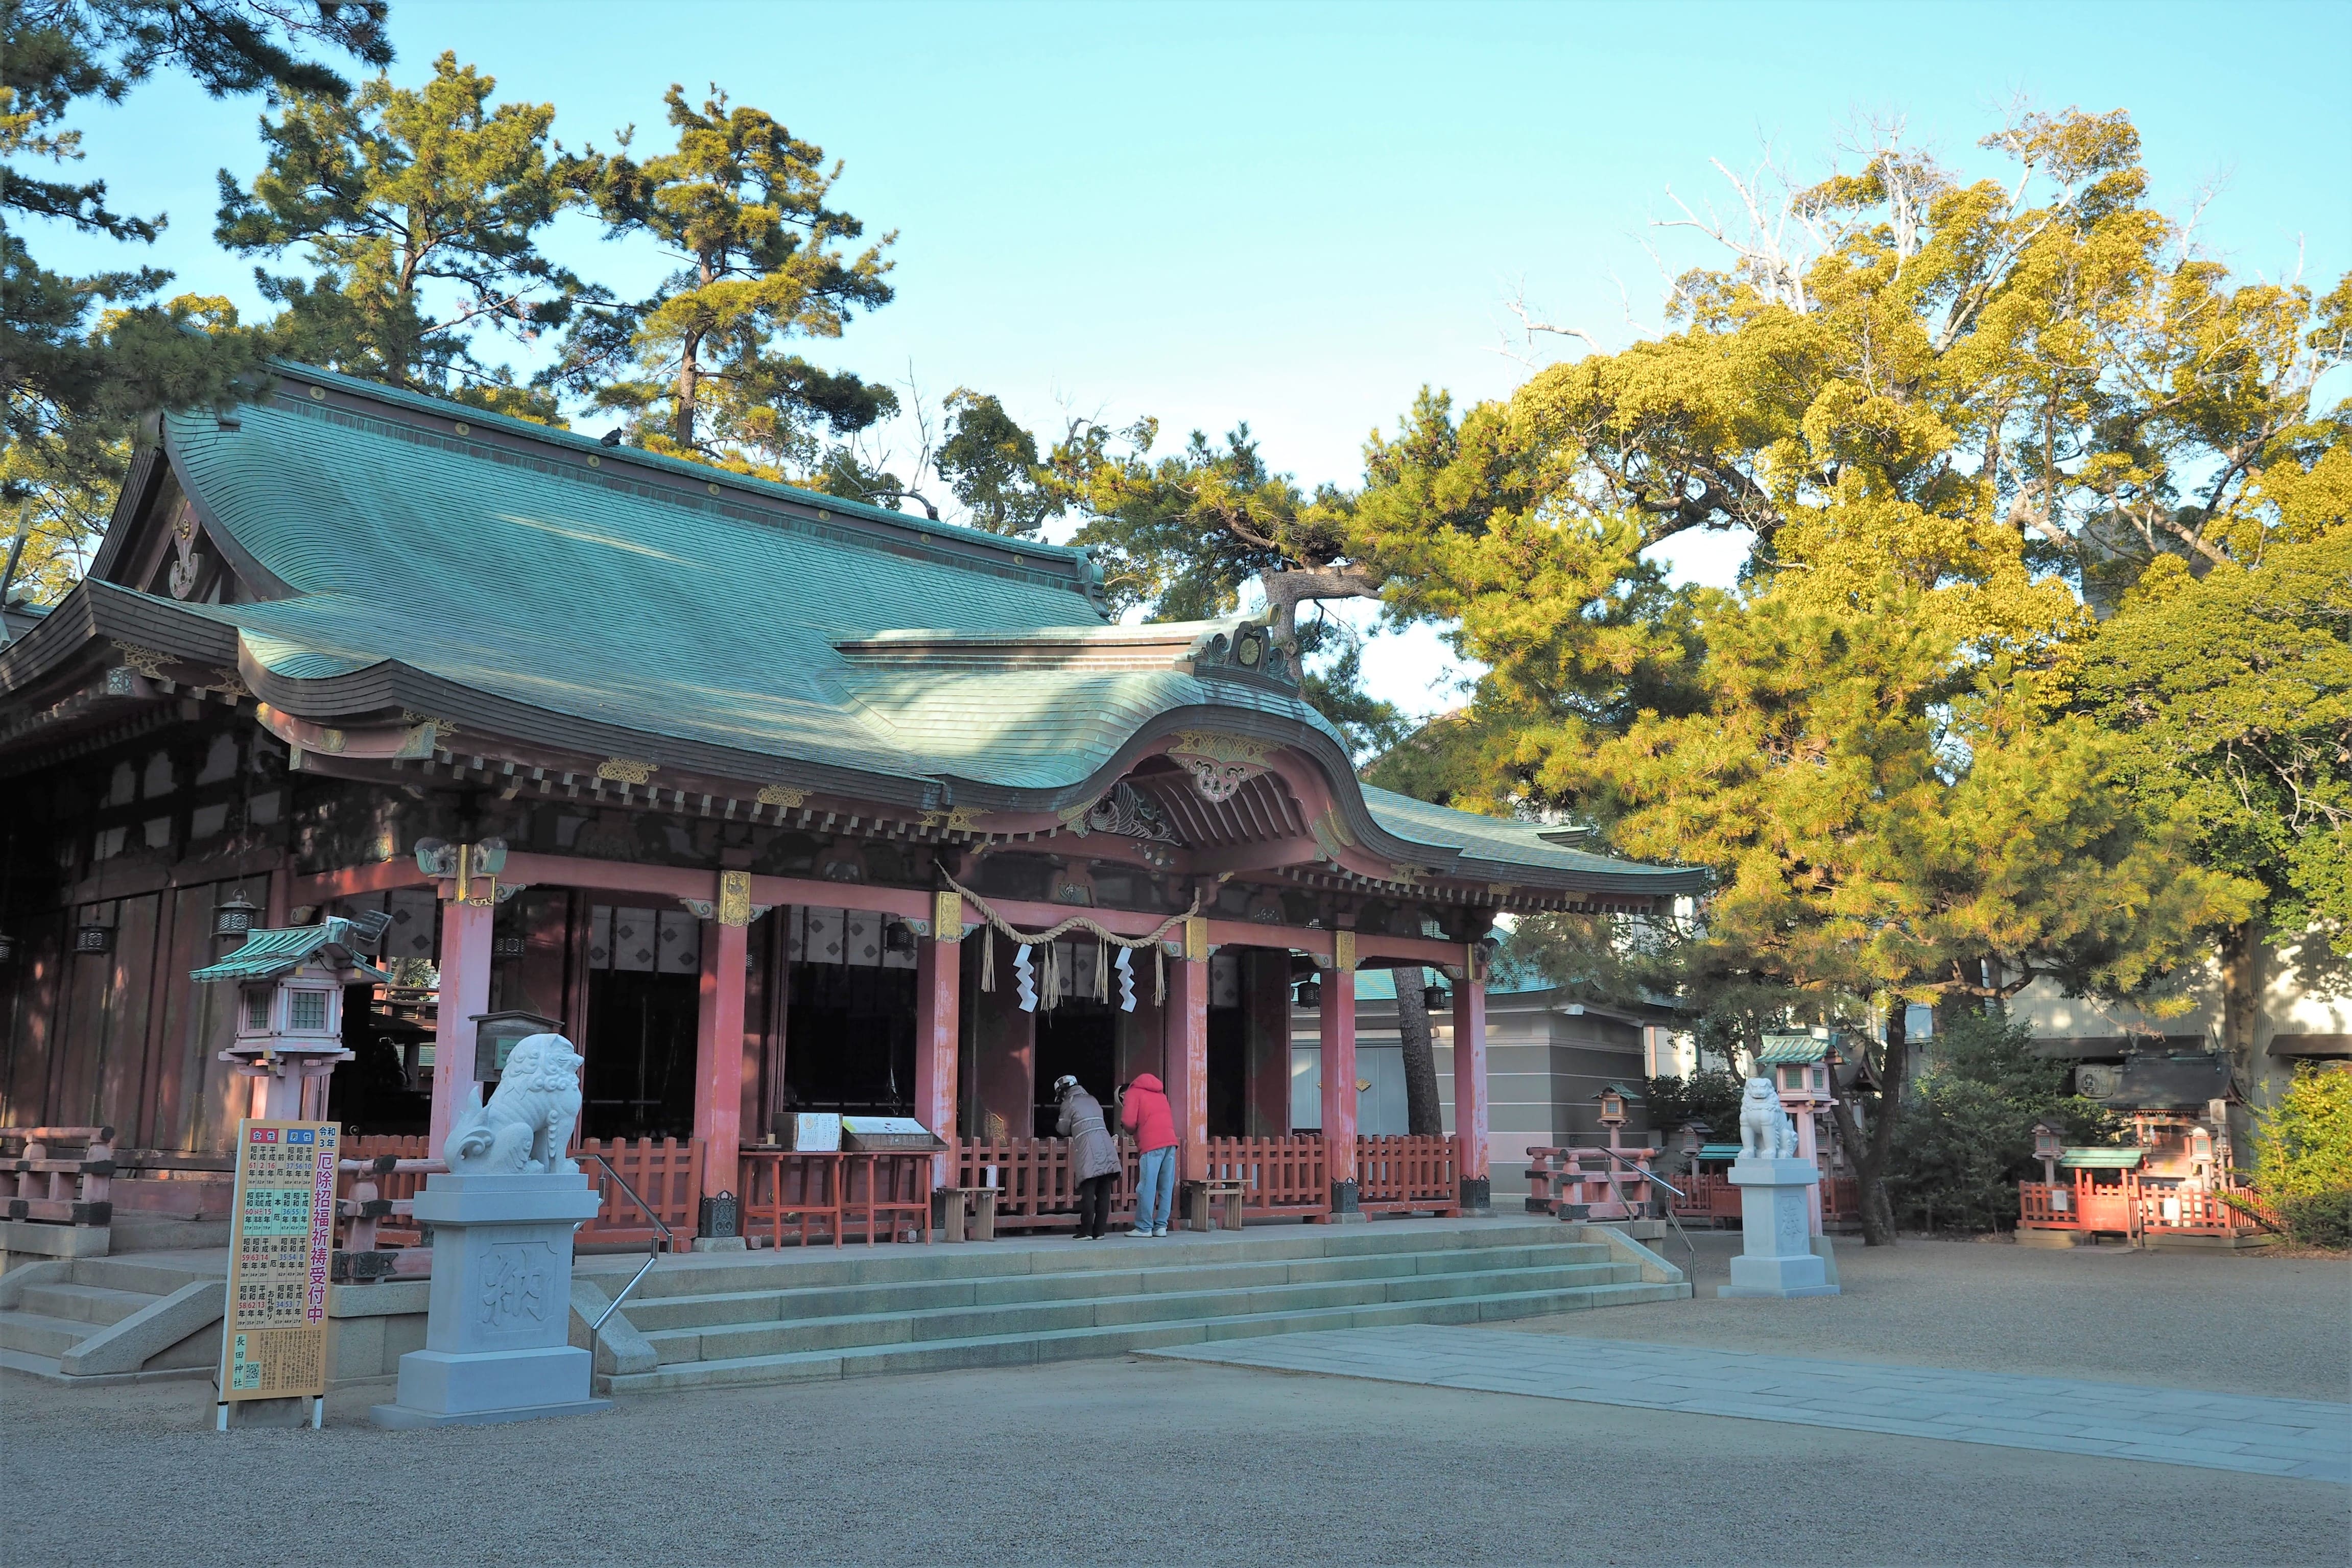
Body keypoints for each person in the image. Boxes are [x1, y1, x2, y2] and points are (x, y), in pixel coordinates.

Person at [1054, 1075, 1120, 1240]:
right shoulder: (1092, 1099)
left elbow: (1063, 1129)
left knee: (1089, 1191)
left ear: (1063, 1091)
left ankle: (1086, 1231)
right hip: (1106, 1146)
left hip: (1088, 1150)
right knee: (1104, 1191)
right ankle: (1100, 1232)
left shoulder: (1069, 1103)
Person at [1119, 1072, 1177, 1237]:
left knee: (1147, 1186)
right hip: (1170, 1142)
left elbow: (1129, 1121)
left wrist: (1128, 1130)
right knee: (1166, 1187)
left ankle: (1144, 1227)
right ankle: (1161, 1227)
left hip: (1151, 1144)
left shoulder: (1132, 1093)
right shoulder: (1160, 1094)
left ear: (1122, 1095)